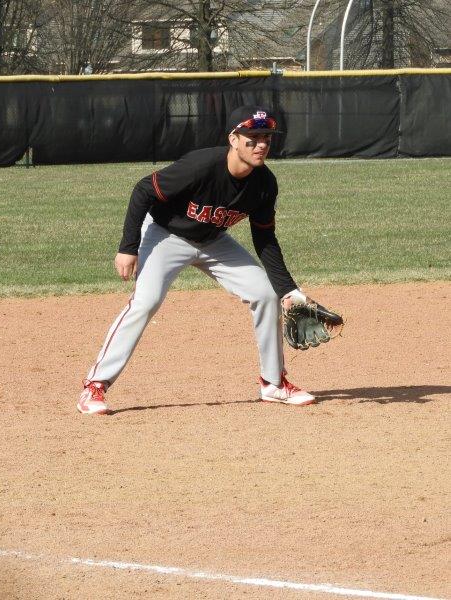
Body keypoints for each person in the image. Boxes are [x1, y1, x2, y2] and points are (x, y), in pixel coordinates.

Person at [77, 105, 317, 415]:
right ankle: (95, 386)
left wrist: (288, 289)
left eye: (266, 139)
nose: (261, 145)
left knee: (265, 294)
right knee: (146, 302)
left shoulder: (264, 184)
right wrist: (129, 247)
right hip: (166, 236)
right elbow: (143, 190)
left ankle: (274, 384)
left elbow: (265, 238)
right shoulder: (201, 166)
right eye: (252, 137)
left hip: (214, 241)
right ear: (234, 138)